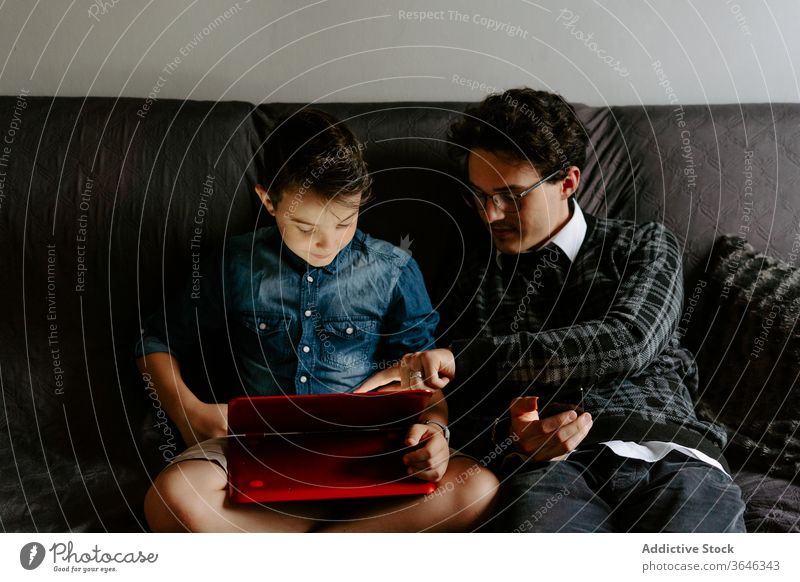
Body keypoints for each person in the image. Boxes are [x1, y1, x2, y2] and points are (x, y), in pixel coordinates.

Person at [381, 88, 746, 532]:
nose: (491, 215)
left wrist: (469, 358)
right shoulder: (471, 273)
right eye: (478, 195)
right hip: (548, 471)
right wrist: (511, 438)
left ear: (568, 182)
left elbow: (631, 339)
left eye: (511, 196)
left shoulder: (642, 245)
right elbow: (459, 402)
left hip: (667, 451)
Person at [134, 109, 498, 532]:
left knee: (478, 487)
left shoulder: (392, 269)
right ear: (268, 200)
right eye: (306, 227)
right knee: (172, 499)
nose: (327, 242)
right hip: (259, 451)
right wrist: (190, 415)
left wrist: (437, 432)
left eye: (345, 222)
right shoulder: (235, 264)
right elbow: (154, 340)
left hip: (372, 453)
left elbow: (425, 378)